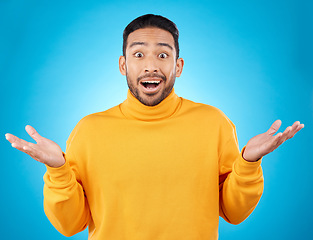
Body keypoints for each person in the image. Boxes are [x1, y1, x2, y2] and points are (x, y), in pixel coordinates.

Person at [5, 14, 304, 240]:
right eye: (138, 54)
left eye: (163, 55)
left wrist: (249, 163)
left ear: (178, 66)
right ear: (123, 65)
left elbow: (234, 212)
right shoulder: (90, 130)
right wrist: (58, 170)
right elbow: (70, 225)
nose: (151, 66)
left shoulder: (213, 123)